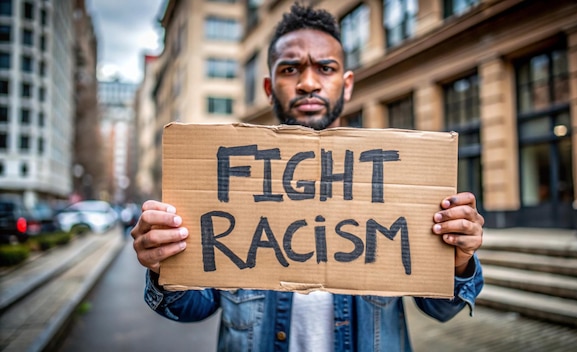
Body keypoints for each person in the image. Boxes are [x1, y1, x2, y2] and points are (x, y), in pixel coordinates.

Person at [131, 3, 484, 351]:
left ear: (346, 85)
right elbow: (194, 306)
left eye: (325, 68)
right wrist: (166, 267)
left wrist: (458, 262)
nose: (308, 82)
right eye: (290, 69)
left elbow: (439, 309)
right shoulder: (227, 183)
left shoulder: (394, 179)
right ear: (269, 88)